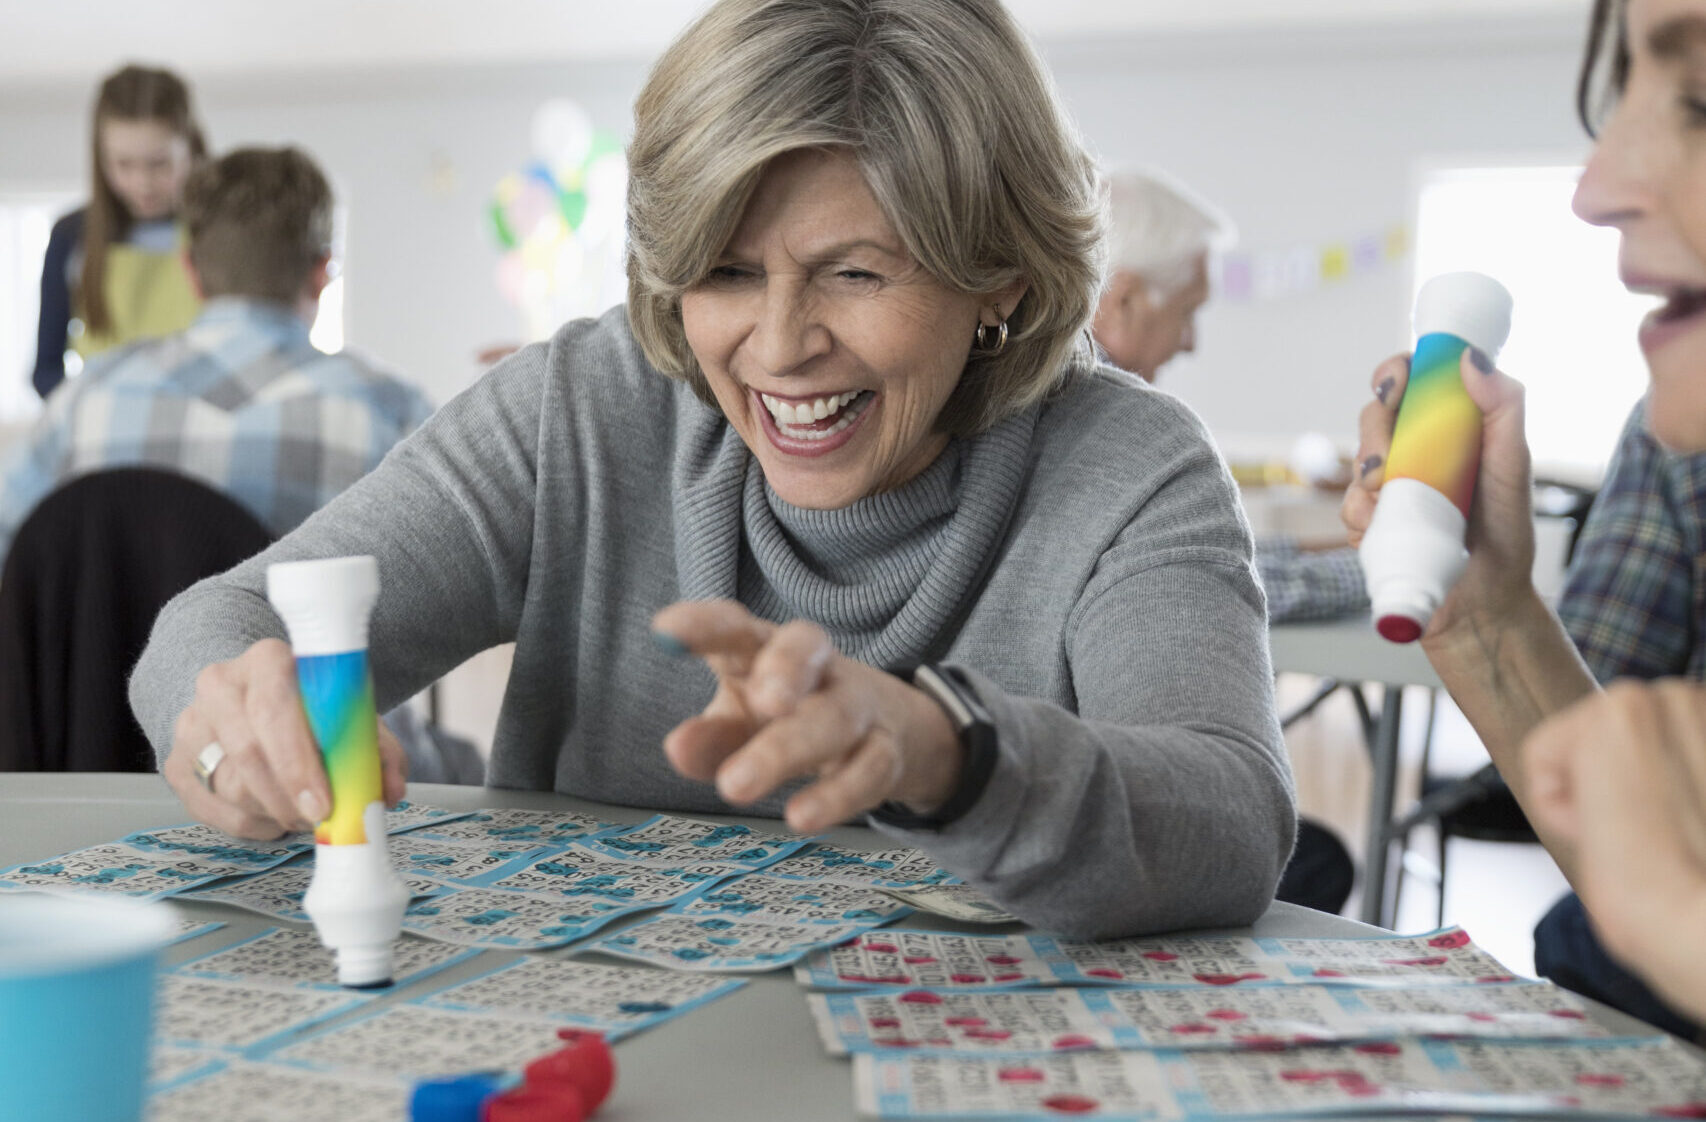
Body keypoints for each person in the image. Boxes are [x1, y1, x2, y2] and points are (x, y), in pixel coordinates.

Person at [130, 0, 1295, 940]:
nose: (778, 347)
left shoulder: (1131, 465)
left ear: (1000, 278)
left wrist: (946, 753)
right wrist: (235, 714)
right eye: (727, 274)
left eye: (855, 273)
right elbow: (221, 620)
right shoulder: (579, 407)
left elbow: (1230, 815)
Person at [1346, 0, 1706, 1030]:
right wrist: (1485, 617)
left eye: (1698, 98)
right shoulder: (1671, 432)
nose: (1592, 191)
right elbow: (1623, 818)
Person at [0, 146, 435, 564]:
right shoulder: (393, 415)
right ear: (322, 273)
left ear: (189, 270)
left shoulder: (82, 401)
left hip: (102, 644)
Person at [1092, 170, 1366, 626]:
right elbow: (1207, 582)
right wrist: (1393, 565)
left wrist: (1354, 547)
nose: (1190, 343)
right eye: (1186, 313)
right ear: (1125, 301)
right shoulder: (1101, 423)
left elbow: (1207, 551)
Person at [33, 65, 208, 400]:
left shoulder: (219, 232)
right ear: (101, 158)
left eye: (159, 163)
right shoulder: (71, 236)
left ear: (190, 147)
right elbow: (46, 371)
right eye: (124, 165)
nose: (142, 184)